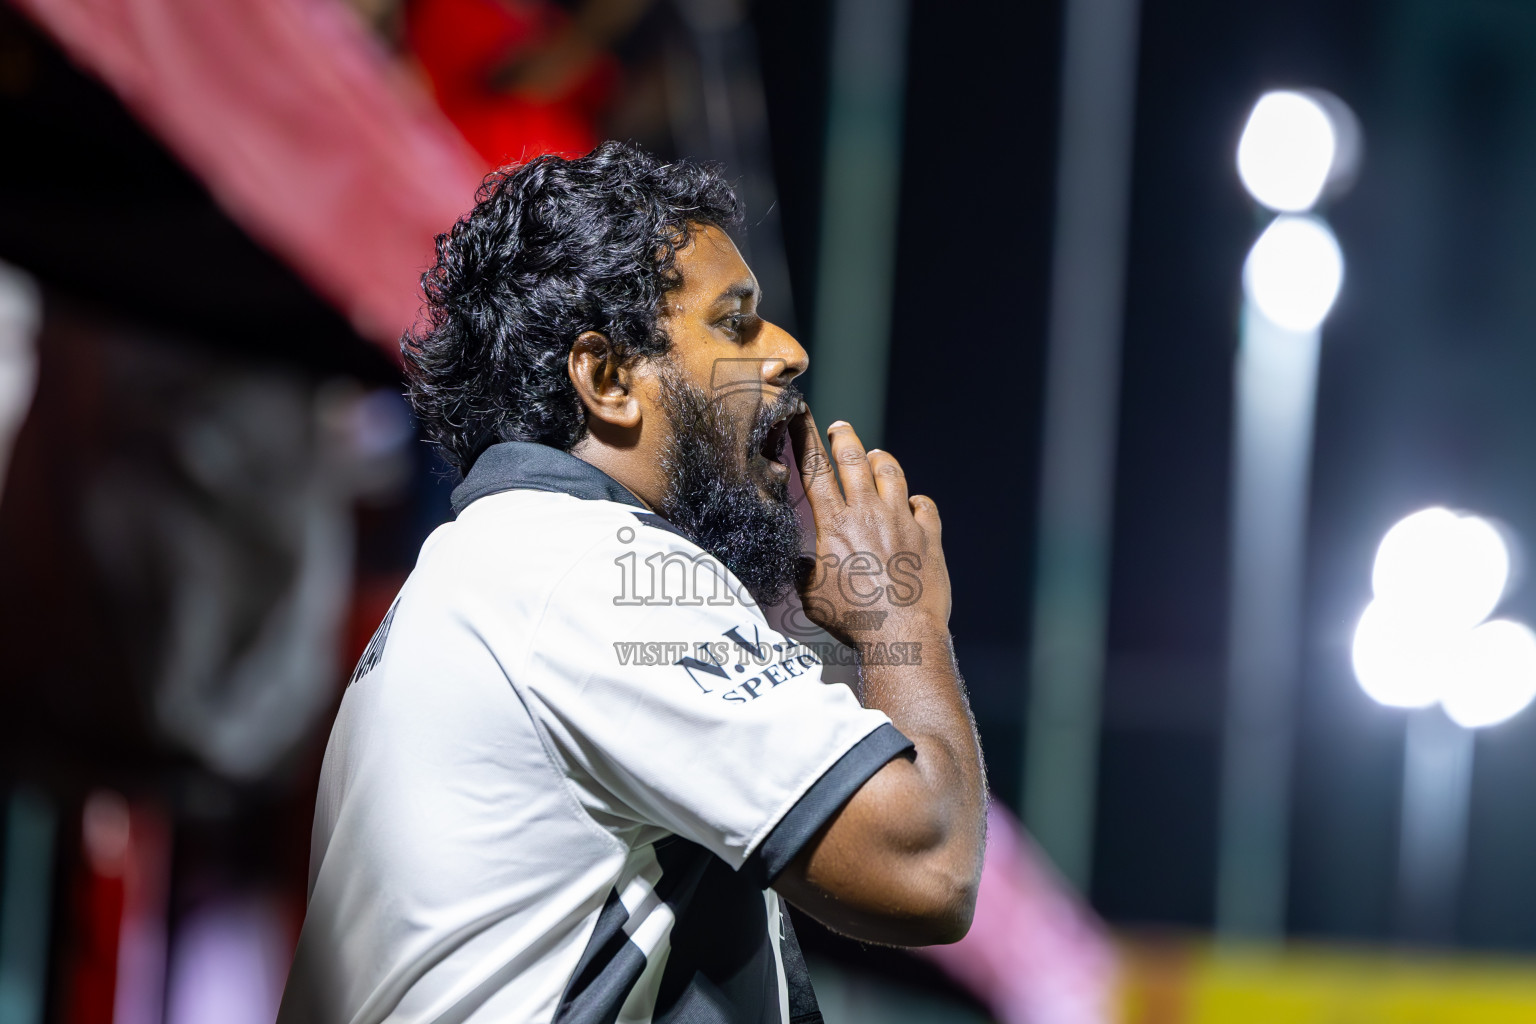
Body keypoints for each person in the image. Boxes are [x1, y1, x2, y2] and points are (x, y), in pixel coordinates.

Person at [278, 141, 987, 1023]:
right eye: (735, 322)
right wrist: (899, 617)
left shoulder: (492, 570)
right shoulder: (594, 567)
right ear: (608, 379)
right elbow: (925, 865)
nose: (789, 352)